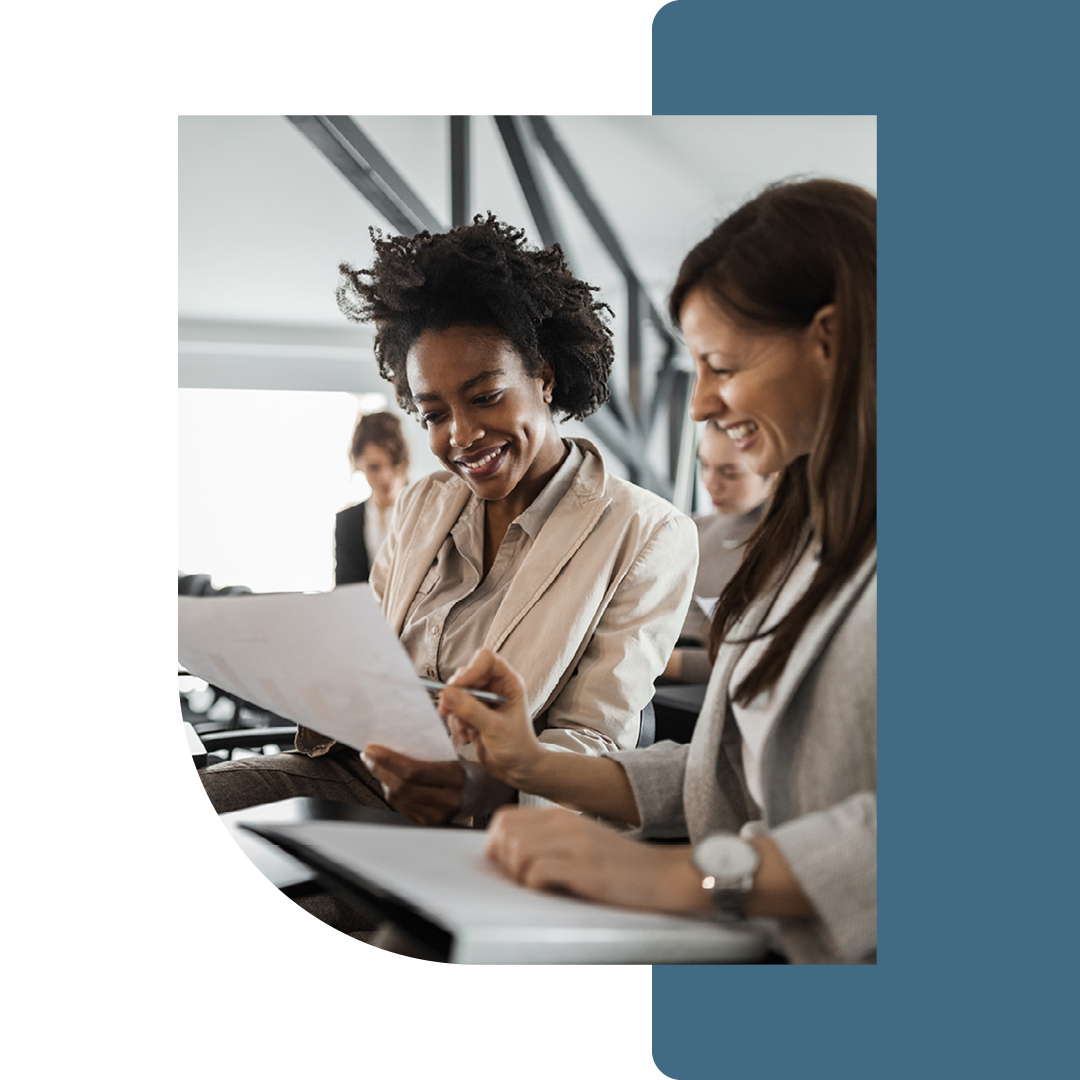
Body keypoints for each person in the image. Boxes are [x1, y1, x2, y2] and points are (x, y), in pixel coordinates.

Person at [437, 179, 877, 964]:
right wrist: (531, 762)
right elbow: (720, 781)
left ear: (831, 339)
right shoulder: (797, 544)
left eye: (719, 364)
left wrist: (684, 879)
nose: (701, 402)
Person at [198, 213, 697, 832]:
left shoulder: (646, 532)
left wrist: (476, 787)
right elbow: (369, 665)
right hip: (361, 774)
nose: (460, 436)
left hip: (489, 819)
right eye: (434, 413)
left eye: (485, 397)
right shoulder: (422, 504)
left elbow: (594, 739)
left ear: (544, 378)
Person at [663, 418, 773, 683]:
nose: (711, 484)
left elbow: (760, 663)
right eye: (705, 466)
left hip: (685, 691)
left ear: (774, 469)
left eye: (730, 473)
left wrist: (650, 661)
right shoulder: (692, 527)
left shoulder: (787, 548)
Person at [334, 411, 409, 585]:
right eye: (374, 467)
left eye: (394, 464)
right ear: (359, 463)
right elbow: (345, 588)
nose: (385, 476)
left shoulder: (428, 513)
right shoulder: (347, 522)